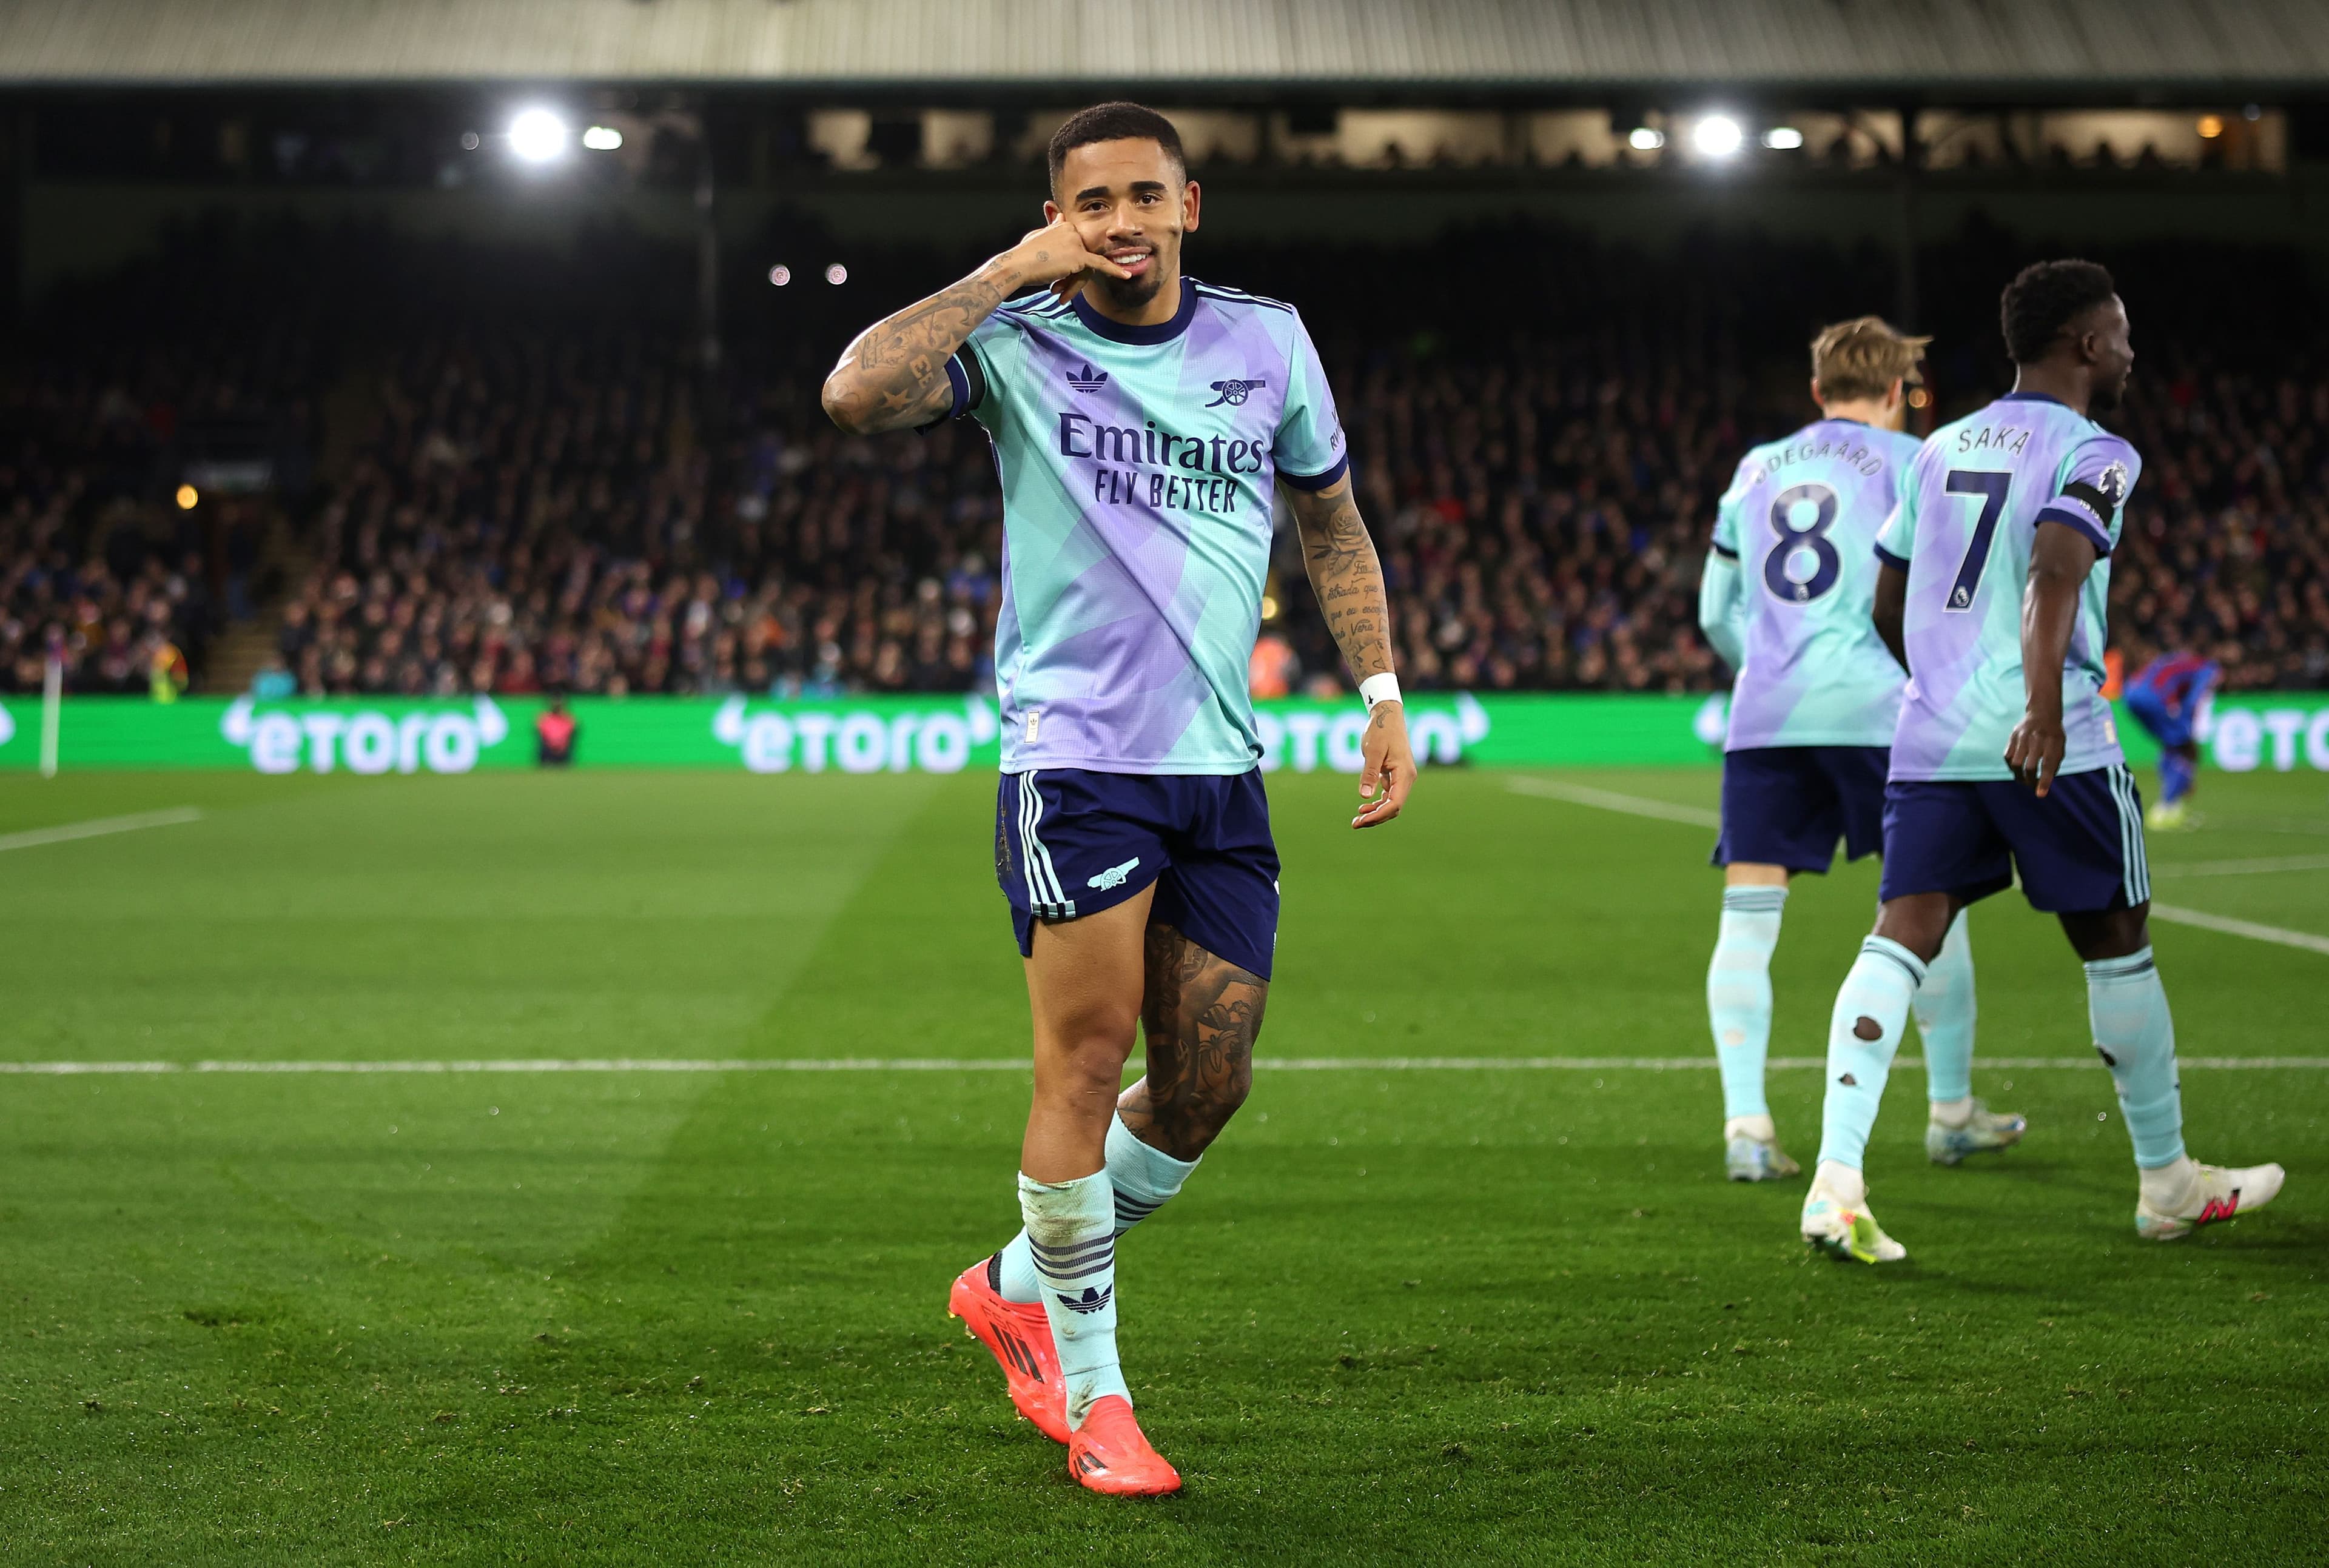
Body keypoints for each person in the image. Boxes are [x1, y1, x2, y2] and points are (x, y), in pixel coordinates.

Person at [820, 101, 1413, 1495]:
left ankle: (1015, 1281)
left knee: (1206, 1082)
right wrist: (999, 274)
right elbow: (853, 396)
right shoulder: (1018, 343)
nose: (1122, 223)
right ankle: (1095, 1397)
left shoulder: (1265, 341)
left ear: (1189, 204)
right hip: (1076, 762)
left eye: (1144, 196)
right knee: (1085, 1065)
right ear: (1058, 216)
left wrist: (1382, 692)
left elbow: (1328, 521)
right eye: (1092, 204)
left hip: (1219, 767)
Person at [1798, 259, 2284, 1263]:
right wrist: (2037, 709)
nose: (2132, 349)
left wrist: (1939, 683)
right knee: (2117, 938)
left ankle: (1835, 1178)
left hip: (1932, 741)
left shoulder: (1937, 449)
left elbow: (1887, 603)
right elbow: (2058, 567)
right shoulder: (2098, 449)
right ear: (2086, 345)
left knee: (1902, 935)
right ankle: (2167, 1182)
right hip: (2048, 736)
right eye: (2122, 331)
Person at [1696, 318, 2015, 1184]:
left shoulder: (1756, 467)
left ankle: (1746, 1126)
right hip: (1885, 712)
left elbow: (1714, 612)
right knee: (1929, 907)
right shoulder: (1915, 460)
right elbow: (1949, 591)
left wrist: (1765, 667)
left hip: (1766, 717)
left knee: (1748, 921)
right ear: (1894, 393)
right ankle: (1949, 1111)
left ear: (1815, 391)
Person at [2123, 650, 2218, 829]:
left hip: (2130, 693)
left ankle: (2172, 803)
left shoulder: (2172, 660)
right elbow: (2193, 699)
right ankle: (2168, 805)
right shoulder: (2209, 670)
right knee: (2185, 748)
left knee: (2171, 746)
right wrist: (2186, 727)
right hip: (2154, 698)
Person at [534, 697, 577, 766]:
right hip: (548, 748)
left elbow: (573, 729)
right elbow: (540, 730)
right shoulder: (545, 718)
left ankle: (567, 761)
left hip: (563, 749)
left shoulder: (567, 718)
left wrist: (561, 744)